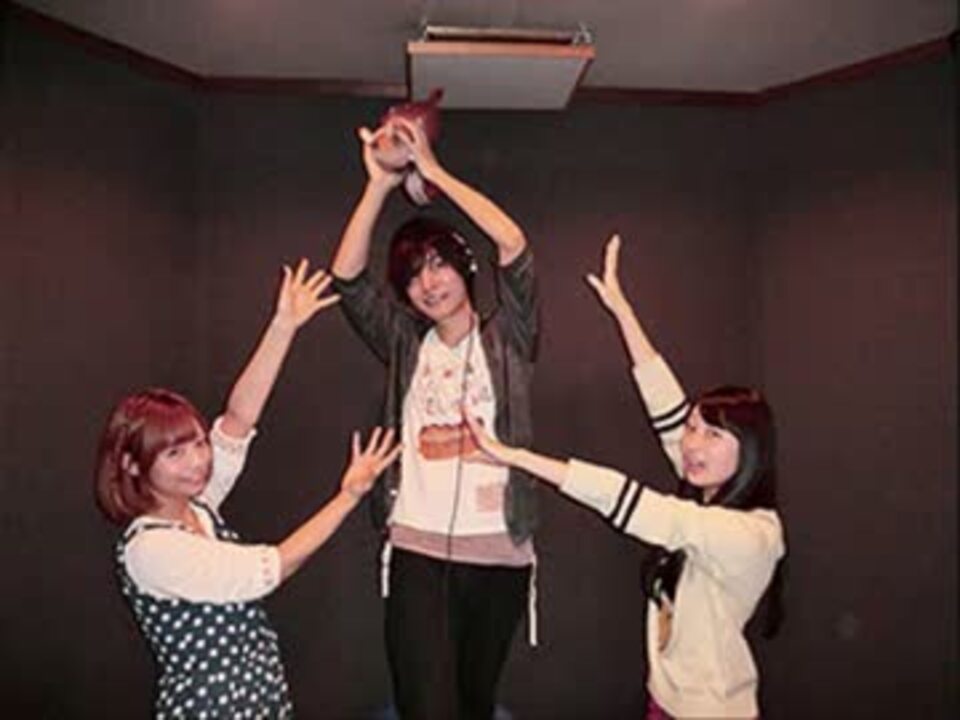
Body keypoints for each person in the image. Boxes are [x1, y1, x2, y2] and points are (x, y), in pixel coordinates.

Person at [464, 235, 785, 719]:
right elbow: (665, 402)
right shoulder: (708, 494)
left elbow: (624, 499)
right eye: (693, 429)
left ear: (751, 451)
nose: (692, 444)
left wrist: (515, 457)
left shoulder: (752, 534)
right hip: (664, 702)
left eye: (713, 435)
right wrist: (622, 311)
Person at [94, 260, 401, 719]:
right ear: (132, 465)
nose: (198, 461)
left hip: (259, 697)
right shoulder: (150, 549)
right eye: (174, 453)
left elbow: (238, 421)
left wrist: (283, 327)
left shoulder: (198, 506)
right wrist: (349, 496)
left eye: (198, 443)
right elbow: (273, 567)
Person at [330, 116, 538, 719]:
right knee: (426, 706)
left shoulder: (510, 337)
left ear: (463, 266)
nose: (428, 283)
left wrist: (434, 171)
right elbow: (347, 279)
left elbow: (513, 244)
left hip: (500, 554)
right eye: (413, 275)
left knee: (473, 705)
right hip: (418, 550)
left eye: (438, 264)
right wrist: (378, 185)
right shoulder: (405, 343)